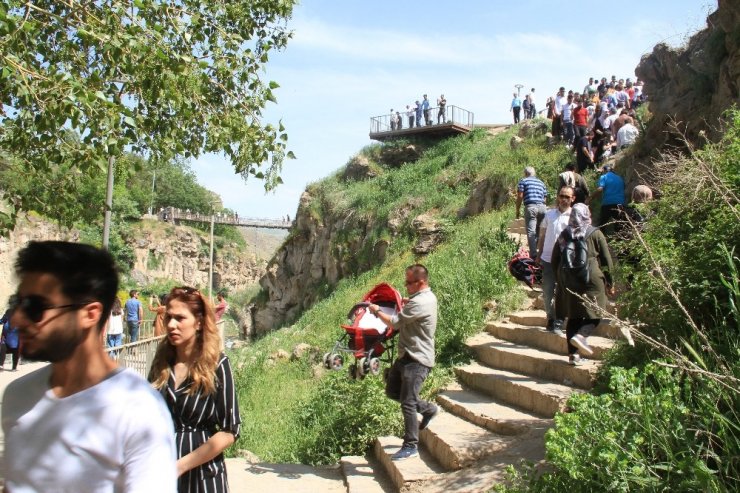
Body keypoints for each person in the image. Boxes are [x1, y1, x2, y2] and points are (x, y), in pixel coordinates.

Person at [1, 241, 176, 491]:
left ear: (90, 314)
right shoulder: (16, 396)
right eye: (17, 303)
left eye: (35, 308)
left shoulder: (138, 410)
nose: (17, 318)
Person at [149, 286, 241, 492]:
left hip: (203, 476)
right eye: (168, 317)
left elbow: (230, 430)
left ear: (198, 322)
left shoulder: (217, 364)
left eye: (180, 318)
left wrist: (180, 465)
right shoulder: (161, 363)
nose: (171, 325)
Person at [368, 264, 438, 461]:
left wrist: (375, 311)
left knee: (407, 402)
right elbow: (413, 308)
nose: (405, 285)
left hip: (417, 359)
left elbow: (395, 323)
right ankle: (428, 409)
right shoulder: (423, 298)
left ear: (420, 282)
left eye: (408, 283)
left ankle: (411, 445)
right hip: (406, 356)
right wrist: (407, 302)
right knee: (392, 391)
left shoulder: (420, 303)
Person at [551, 204, 614, 365]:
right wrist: (610, 281)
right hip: (591, 278)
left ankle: (573, 356)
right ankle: (581, 336)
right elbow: (606, 260)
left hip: (569, 280)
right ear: (587, 214)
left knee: (573, 317)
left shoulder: (564, 235)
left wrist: (560, 279)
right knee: (597, 312)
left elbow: (554, 259)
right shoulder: (595, 233)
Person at [536, 186, 575, 335]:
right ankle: (551, 317)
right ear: (558, 197)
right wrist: (539, 255)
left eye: (567, 196)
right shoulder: (549, 215)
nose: (564, 199)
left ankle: (559, 319)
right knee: (547, 291)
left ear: (573, 199)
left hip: (565, 260)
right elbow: (543, 236)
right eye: (562, 196)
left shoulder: (573, 216)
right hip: (547, 258)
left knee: (562, 292)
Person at [515, 166, 548, 258]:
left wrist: (517, 210)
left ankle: (533, 255)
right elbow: (545, 199)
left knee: (531, 232)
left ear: (525, 174)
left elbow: (520, 196)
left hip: (531, 207)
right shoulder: (541, 183)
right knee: (538, 231)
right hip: (542, 208)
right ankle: (538, 251)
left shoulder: (524, 181)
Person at [589, 165, 626, 236]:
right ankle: (620, 242)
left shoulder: (604, 177)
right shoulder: (620, 178)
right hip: (620, 204)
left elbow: (600, 189)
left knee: (602, 224)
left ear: (604, 170)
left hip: (607, 204)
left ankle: (600, 240)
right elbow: (623, 188)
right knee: (620, 225)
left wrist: (591, 197)